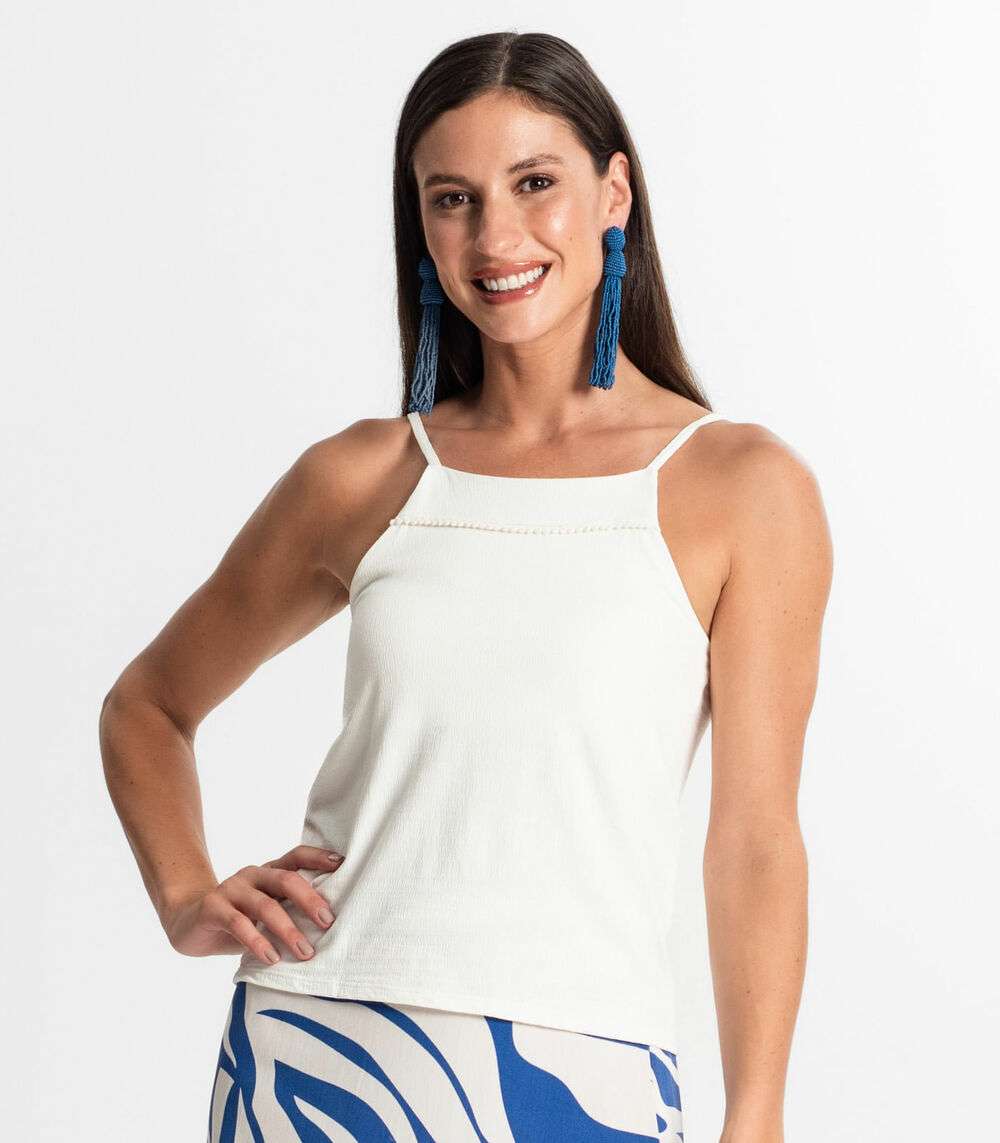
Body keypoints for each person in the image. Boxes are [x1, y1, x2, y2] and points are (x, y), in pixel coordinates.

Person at [99, 31, 833, 1143]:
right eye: (453, 199)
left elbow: (755, 840)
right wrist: (185, 894)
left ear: (614, 193)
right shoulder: (363, 476)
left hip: (580, 1070)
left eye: (534, 183)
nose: (495, 237)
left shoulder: (740, 488)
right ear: (422, 224)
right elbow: (148, 704)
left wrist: (758, 1112)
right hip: (318, 1049)